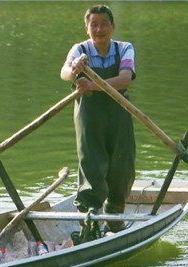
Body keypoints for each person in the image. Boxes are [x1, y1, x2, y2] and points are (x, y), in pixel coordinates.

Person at [60, 4, 136, 237]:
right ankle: (90, 222)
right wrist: (74, 69)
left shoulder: (124, 48)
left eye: (104, 24)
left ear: (112, 27)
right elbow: (64, 74)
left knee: (121, 164)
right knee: (91, 163)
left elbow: (124, 80)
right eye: (94, 24)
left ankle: (114, 216)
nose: (99, 29)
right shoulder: (80, 49)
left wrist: (92, 84)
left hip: (119, 114)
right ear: (87, 28)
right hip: (89, 117)